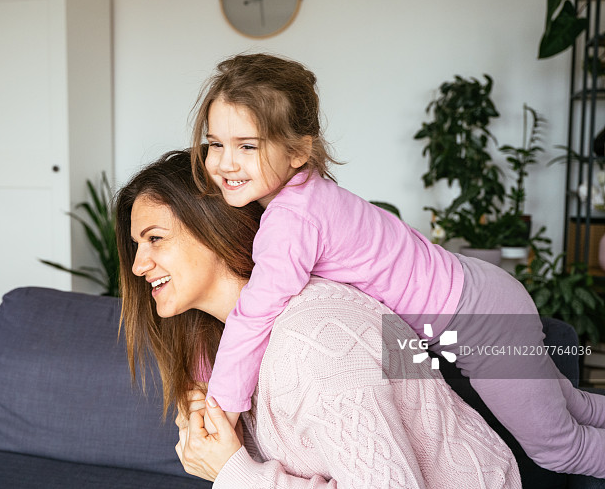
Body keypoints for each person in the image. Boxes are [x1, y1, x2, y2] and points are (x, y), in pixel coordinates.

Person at [189, 52, 605, 478]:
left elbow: (255, 313)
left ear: (298, 152)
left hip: (477, 318)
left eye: (247, 146)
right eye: (216, 143)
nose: (224, 162)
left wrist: (223, 403)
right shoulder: (307, 197)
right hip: (479, 294)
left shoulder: (291, 221)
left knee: (560, 450)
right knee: (574, 404)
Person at [115, 148, 520, 488]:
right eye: (136, 245)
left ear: (214, 229)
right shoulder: (231, 347)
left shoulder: (315, 339)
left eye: (155, 238)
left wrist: (234, 473)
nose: (137, 266)